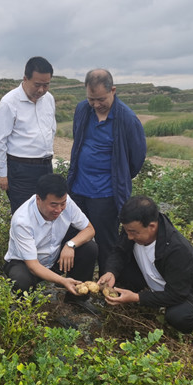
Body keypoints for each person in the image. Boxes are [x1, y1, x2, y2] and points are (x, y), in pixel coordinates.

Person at [98, 196, 193, 335]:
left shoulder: (177, 249)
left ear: (152, 226)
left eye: (133, 232)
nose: (129, 236)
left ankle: (190, 331)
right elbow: (119, 251)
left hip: (185, 294)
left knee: (179, 316)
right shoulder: (132, 227)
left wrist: (137, 297)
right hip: (154, 281)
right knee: (116, 271)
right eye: (126, 230)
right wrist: (111, 271)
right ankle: (146, 299)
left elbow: (177, 294)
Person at [68, 69, 146, 273]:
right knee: (77, 237)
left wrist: (119, 178)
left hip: (105, 193)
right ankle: (79, 284)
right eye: (91, 99)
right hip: (78, 188)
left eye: (100, 99)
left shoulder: (127, 119)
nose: (95, 104)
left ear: (113, 90)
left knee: (106, 241)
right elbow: (78, 141)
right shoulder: (82, 110)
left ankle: (106, 283)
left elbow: (136, 158)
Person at [3, 173, 98, 297]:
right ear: (38, 199)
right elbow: (33, 266)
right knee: (21, 279)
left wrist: (70, 245)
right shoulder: (22, 221)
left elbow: (89, 229)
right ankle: (27, 311)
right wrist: (63, 281)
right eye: (53, 205)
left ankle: (77, 299)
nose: (59, 209)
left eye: (62, 204)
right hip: (26, 263)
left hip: (54, 257)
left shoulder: (66, 202)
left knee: (90, 248)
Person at [0, 56, 57, 213]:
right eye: (37, 85)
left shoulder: (49, 99)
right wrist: (3, 174)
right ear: (25, 79)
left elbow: (51, 129)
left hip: (46, 167)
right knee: (24, 214)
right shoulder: (9, 102)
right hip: (21, 170)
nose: (41, 90)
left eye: (46, 85)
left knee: (46, 213)